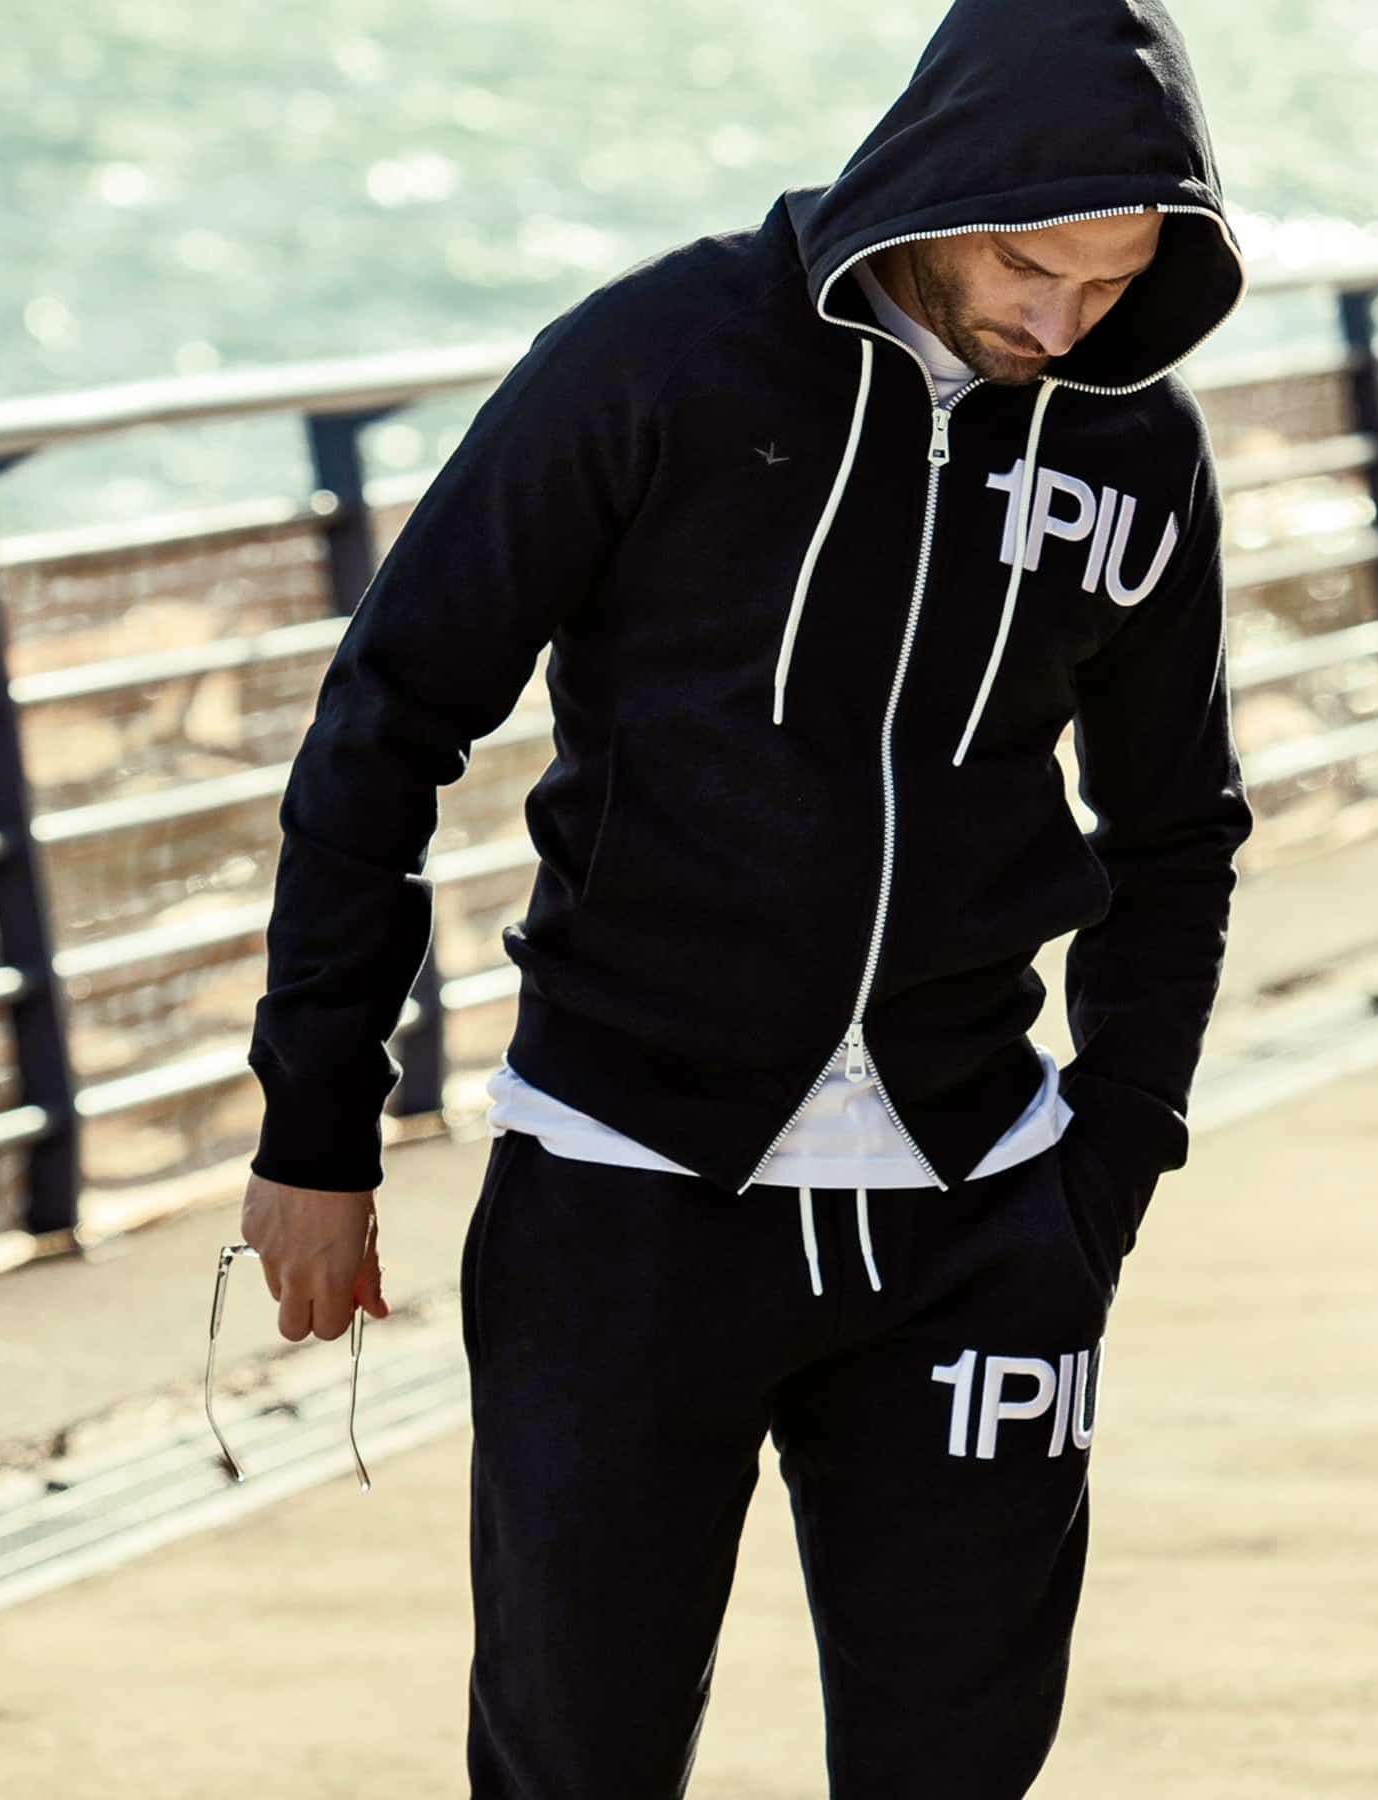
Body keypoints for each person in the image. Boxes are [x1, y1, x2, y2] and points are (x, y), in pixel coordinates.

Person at [240, 0, 1252, 1791]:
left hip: (979, 1212)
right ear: (938, 184)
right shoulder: (658, 360)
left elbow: (1176, 832)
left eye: (1109, 287)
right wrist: (318, 1125)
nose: (1059, 324)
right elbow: (389, 716)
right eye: (1030, 268)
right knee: (577, 1762)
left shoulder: (1132, 444)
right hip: (625, 1192)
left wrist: (1108, 1170)